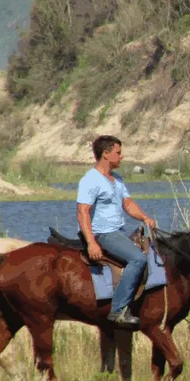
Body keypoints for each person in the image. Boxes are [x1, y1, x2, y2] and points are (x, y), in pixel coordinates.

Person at [76, 135, 157, 329]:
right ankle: (119, 310)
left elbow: (127, 203)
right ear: (106, 154)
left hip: (116, 231)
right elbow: (82, 212)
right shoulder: (91, 180)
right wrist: (91, 243)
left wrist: (144, 217)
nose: (122, 156)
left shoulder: (117, 179)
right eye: (118, 152)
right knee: (138, 259)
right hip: (102, 234)